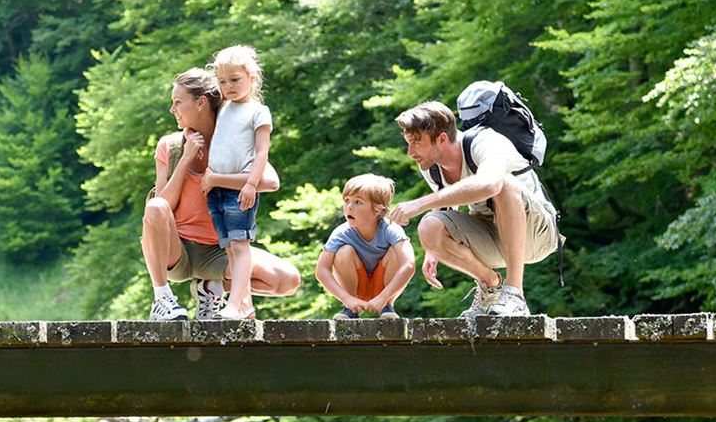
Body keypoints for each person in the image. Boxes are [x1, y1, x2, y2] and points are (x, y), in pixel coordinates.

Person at [142, 68, 299, 321]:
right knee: (155, 206)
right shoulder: (169, 146)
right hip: (176, 251)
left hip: (218, 252)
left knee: (286, 280)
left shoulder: (234, 142)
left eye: (178, 102)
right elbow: (162, 207)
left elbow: (270, 181)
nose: (172, 110)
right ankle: (162, 298)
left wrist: (217, 178)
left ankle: (210, 289)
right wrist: (186, 159)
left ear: (201, 103)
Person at [387, 100, 559, 317]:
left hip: (537, 234)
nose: (410, 152)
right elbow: (446, 204)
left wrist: (419, 203)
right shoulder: (431, 165)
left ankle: (515, 294)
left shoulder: (486, 141)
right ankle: (490, 285)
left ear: (441, 139)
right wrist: (433, 249)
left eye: (416, 143)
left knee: (503, 184)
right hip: (494, 237)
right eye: (407, 143)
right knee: (429, 225)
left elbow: (490, 184)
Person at [201, 45, 272, 320]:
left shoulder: (258, 111)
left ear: (252, 78)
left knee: (241, 245)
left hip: (240, 190)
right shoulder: (224, 109)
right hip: (216, 190)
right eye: (222, 82)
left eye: (234, 80)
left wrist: (251, 184)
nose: (228, 87)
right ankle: (245, 305)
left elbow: (262, 152)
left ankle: (232, 304)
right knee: (230, 247)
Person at [315, 174, 415, 320]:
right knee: (343, 251)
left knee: (396, 251)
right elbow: (321, 270)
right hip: (355, 288)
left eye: (358, 202)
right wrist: (346, 298)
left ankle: (387, 306)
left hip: (384, 290)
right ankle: (350, 309)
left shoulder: (390, 229)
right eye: (347, 201)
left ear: (378, 210)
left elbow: (409, 264)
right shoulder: (341, 233)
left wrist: (383, 298)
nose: (349, 207)